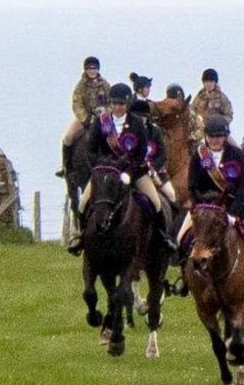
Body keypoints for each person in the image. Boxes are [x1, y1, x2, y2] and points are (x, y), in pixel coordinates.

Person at [173, 116, 244, 294]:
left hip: (235, 204)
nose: (215, 140)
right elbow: (192, 186)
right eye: (212, 136)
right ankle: (185, 279)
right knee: (181, 238)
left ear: (226, 137)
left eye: (219, 136)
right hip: (205, 209)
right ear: (206, 136)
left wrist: (232, 211)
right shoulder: (199, 156)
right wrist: (200, 207)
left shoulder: (236, 154)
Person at [71, 84, 177, 256]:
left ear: (127, 105)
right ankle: (82, 237)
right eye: (115, 103)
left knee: (156, 203)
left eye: (122, 104)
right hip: (106, 173)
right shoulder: (101, 121)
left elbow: (142, 151)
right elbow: (91, 149)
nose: (118, 107)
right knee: (83, 203)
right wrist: (100, 167)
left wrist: (129, 172)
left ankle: (163, 238)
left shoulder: (136, 123)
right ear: (110, 103)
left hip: (132, 172)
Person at [57, 56, 111, 178]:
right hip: (85, 117)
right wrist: (85, 118)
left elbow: (111, 102)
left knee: (114, 136)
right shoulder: (80, 86)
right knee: (68, 137)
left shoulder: (105, 85)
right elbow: (76, 104)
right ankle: (66, 167)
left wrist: (105, 111)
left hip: (103, 118)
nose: (92, 71)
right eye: (90, 69)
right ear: (85, 70)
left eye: (95, 69)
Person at [129, 99, 177, 207]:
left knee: (171, 194)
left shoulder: (155, 131)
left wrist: (153, 167)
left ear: (147, 117)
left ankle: (170, 222)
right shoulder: (127, 132)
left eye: (143, 117)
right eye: (137, 117)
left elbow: (162, 154)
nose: (140, 120)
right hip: (132, 171)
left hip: (155, 171)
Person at [191, 68, 234, 142]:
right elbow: (192, 111)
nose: (208, 84)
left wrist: (219, 124)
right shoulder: (199, 96)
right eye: (206, 82)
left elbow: (229, 115)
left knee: (235, 149)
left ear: (215, 82)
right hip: (199, 131)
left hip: (217, 133)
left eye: (211, 81)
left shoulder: (222, 97)